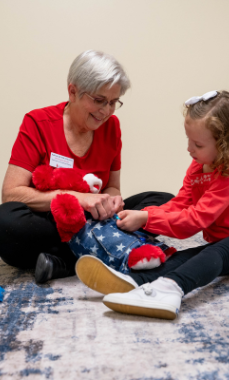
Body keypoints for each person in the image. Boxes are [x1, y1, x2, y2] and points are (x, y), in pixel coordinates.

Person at [75, 90, 229, 320]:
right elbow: (180, 203)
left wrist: (148, 219)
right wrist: (144, 215)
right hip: (228, 240)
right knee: (192, 255)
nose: (189, 149)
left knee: (217, 254)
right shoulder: (197, 167)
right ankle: (136, 281)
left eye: (198, 144)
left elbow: (195, 220)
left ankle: (171, 290)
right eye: (188, 140)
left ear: (225, 144)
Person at [0, 50, 173, 284]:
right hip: (56, 221)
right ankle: (111, 250)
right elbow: (11, 194)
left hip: (98, 219)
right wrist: (77, 198)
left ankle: (66, 262)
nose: (106, 111)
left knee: (165, 201)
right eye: (99, 100)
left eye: (113, 102)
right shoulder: (37, 123)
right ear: (72, 91)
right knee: (6, 222)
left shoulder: (111, 126)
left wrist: (113, 200)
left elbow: (112, 187)